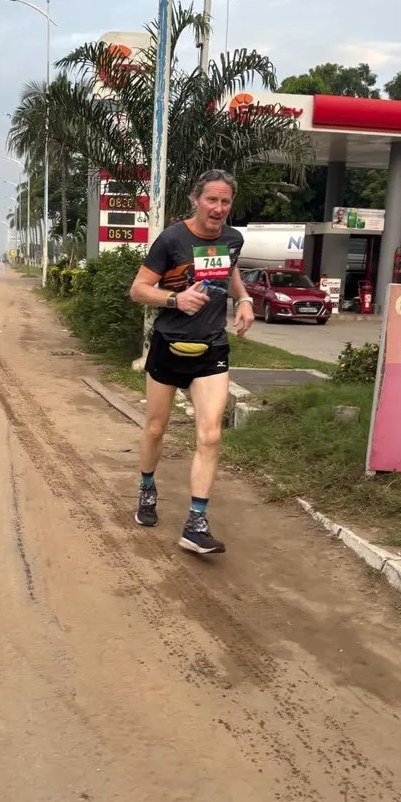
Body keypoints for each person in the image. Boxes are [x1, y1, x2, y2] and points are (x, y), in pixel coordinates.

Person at [129, 170, 254, 556]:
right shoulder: (171, 239)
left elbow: (228, 268)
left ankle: (196, 522)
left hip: (212, 347)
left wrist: (245, 298)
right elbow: (138, 290)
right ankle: (148, 488)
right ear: (195, 199)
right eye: (211, 200)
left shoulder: (233, 238)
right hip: (169, 345)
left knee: (211, 435)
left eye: (225, 202)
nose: (218, 209)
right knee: (155, 428)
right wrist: (175, 300)